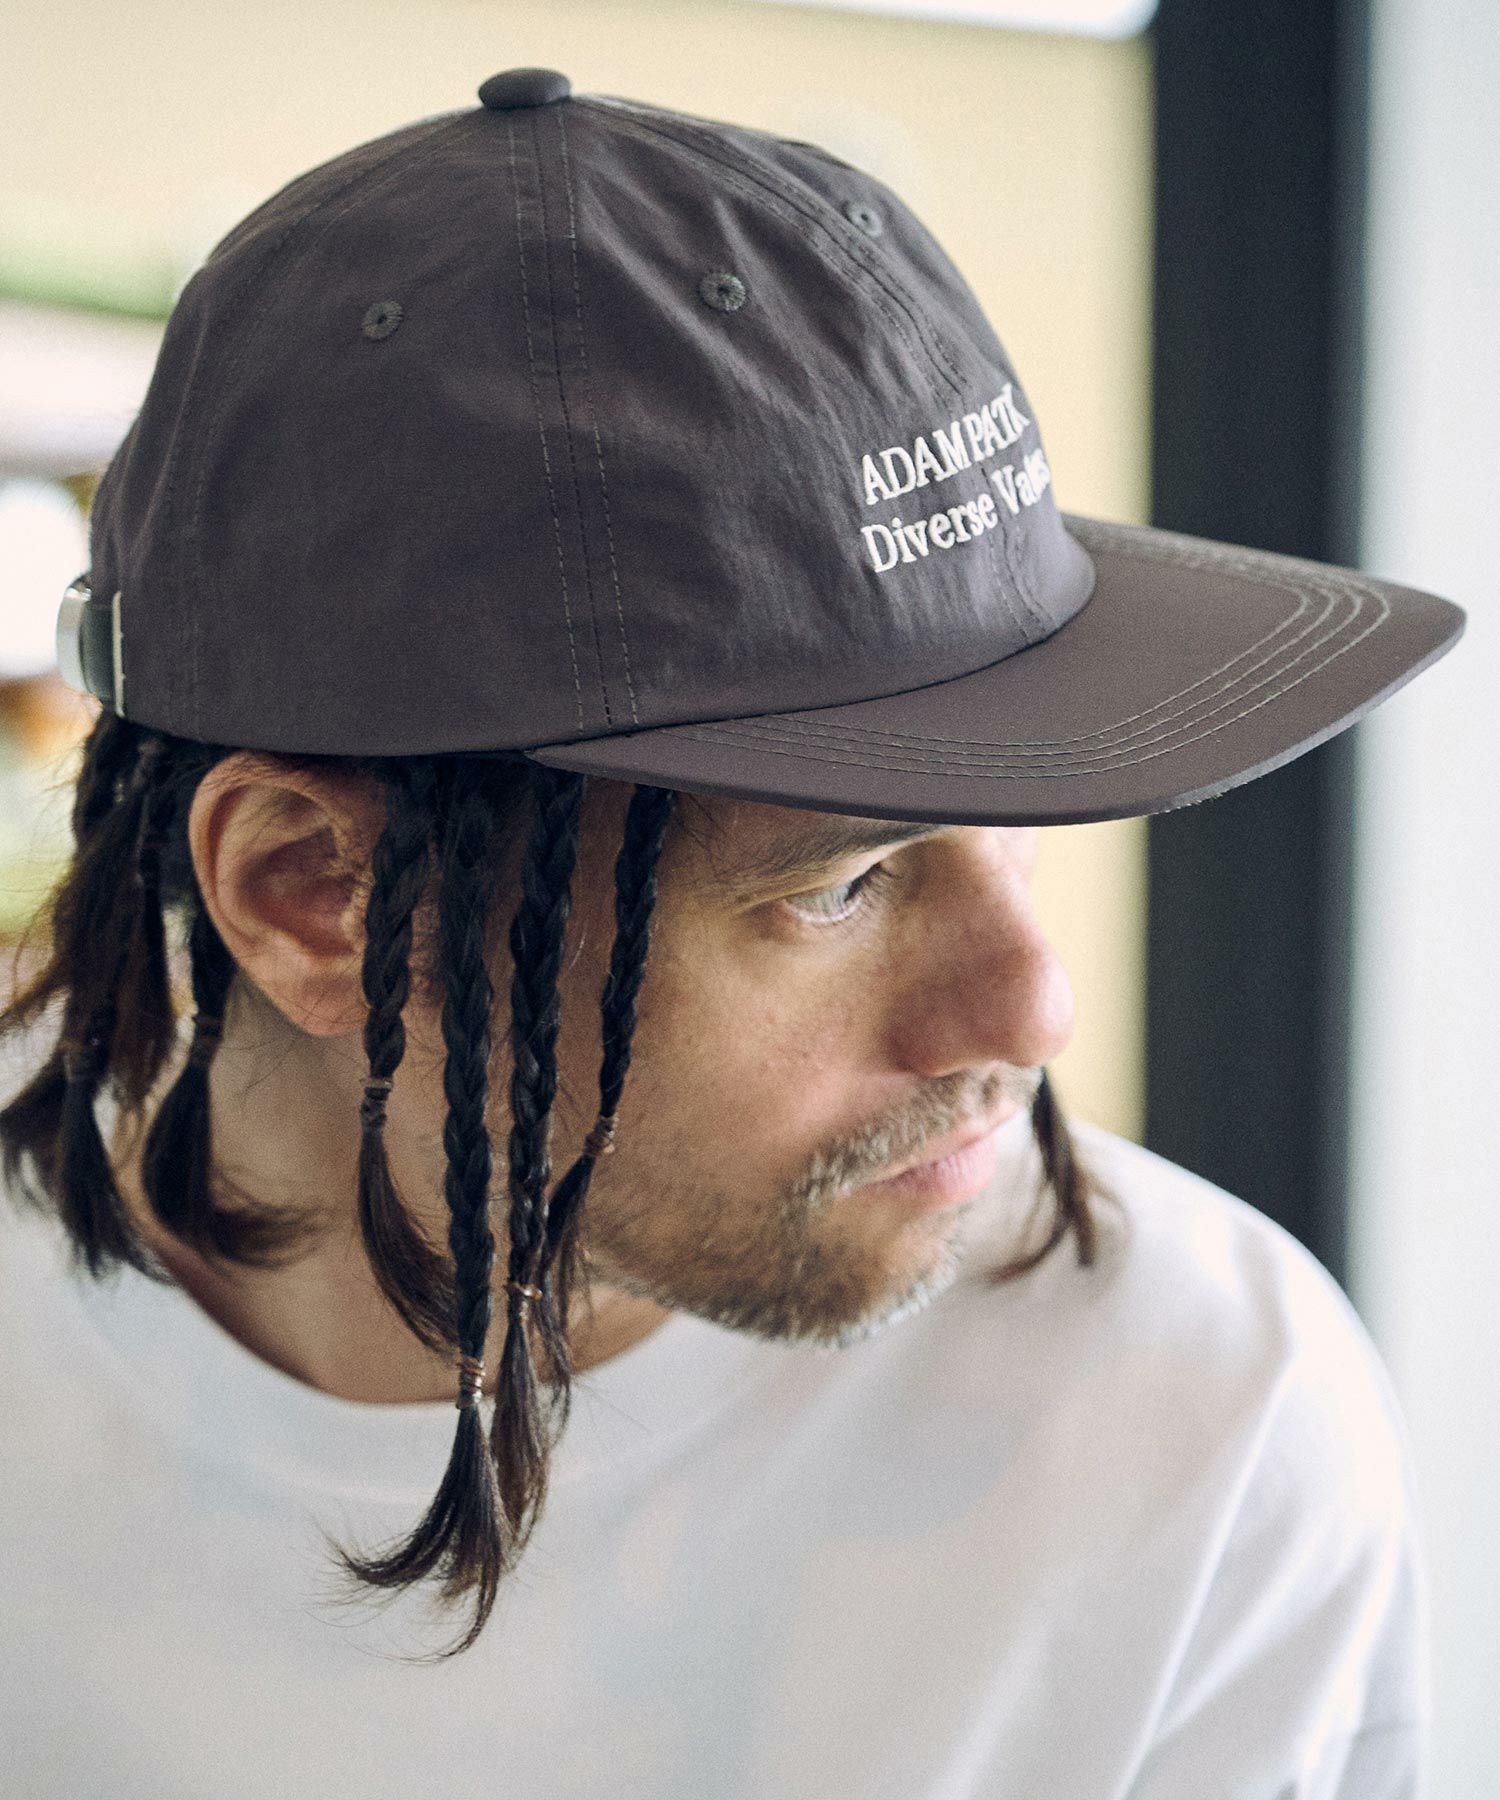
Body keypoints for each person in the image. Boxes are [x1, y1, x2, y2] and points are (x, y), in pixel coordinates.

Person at [0, 65, 1462, 1799]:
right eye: (840, 883)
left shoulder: (1194, 1408)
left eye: (1018, 813)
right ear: (316, 896)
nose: (1033, 1005)